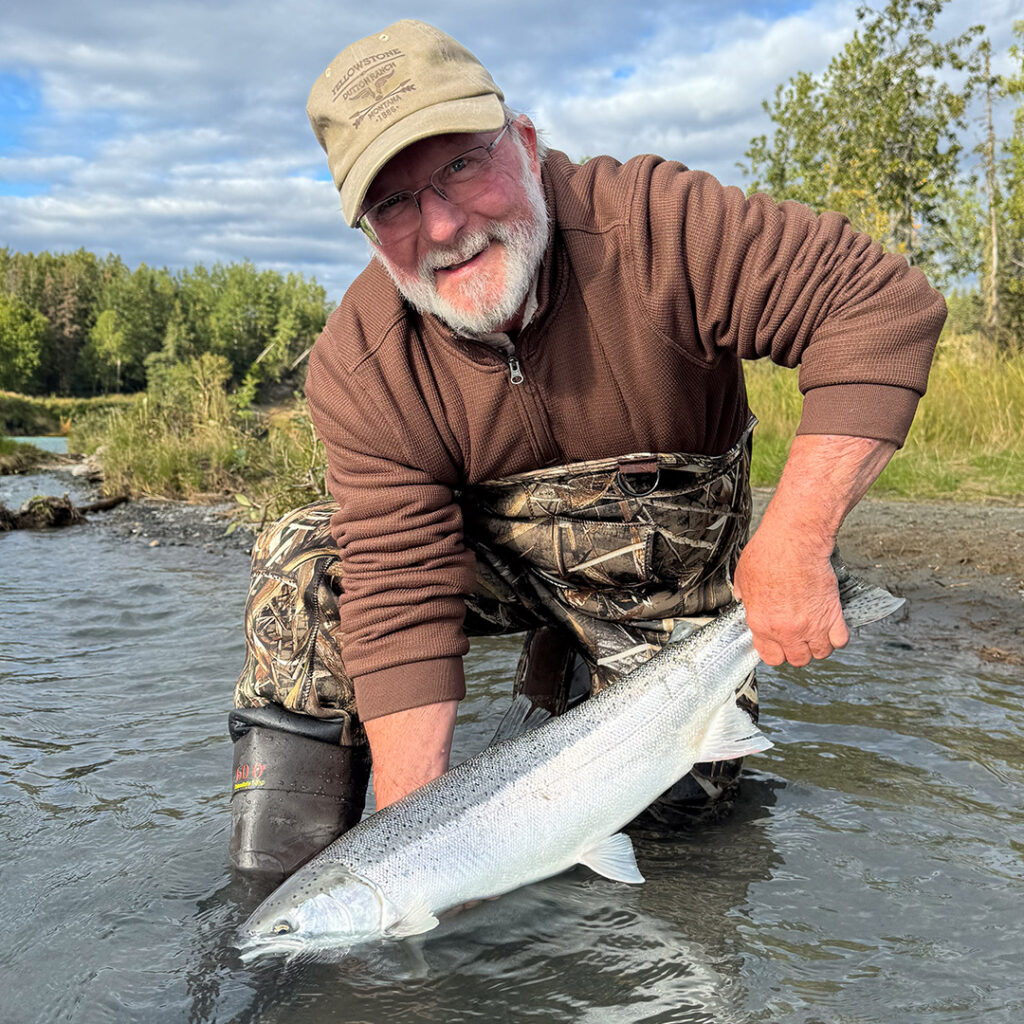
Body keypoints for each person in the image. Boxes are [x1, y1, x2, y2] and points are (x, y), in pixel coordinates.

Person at [228, 19, 945, 879]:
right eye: (393, 204)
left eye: (462, 165)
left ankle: (575, 676)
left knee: (675, 835)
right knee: (307, 562)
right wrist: (416, 854)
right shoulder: (363, 363)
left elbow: (875, 304)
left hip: (661, 596)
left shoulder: (656, 226)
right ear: (369, 232)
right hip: (498, 569)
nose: (444, 224)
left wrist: (796, 539)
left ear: (526, 145)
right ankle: (279, 901)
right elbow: (399, 587)